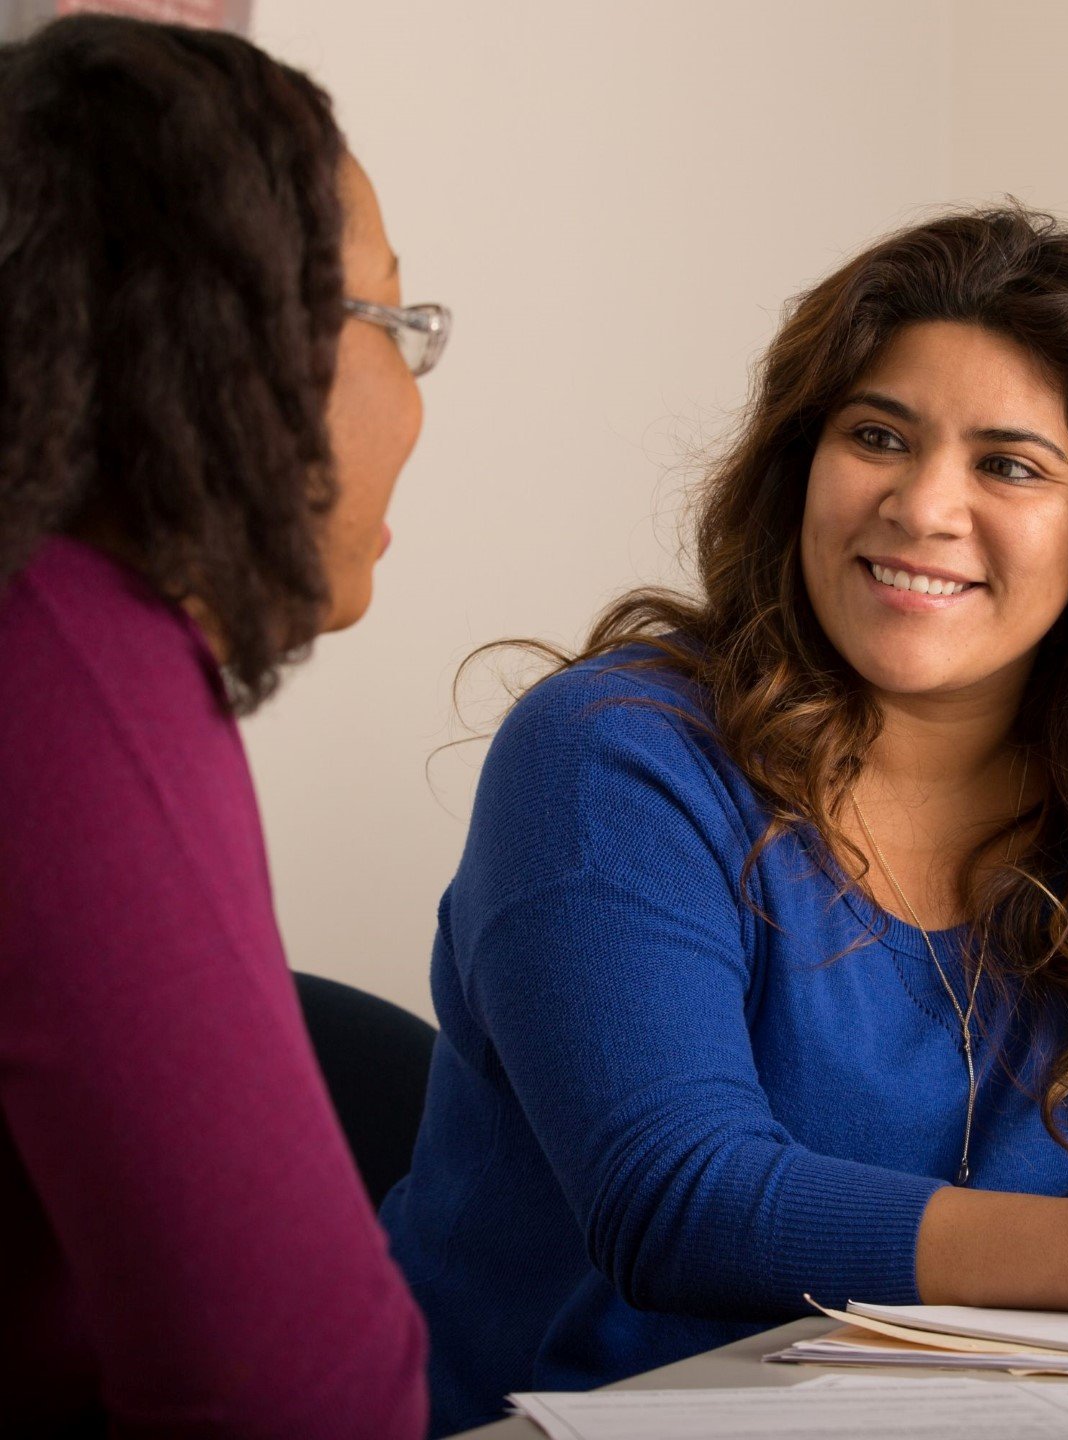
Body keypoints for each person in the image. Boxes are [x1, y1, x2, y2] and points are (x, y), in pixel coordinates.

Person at [381, 206, 1068, 1433]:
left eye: (1010, 463)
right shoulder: (610, 756)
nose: (924, 507)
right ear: (801, 467)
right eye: (877, 435)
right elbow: (678, 1199)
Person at [0, 15, 450, 1435]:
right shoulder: (65, 655)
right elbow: (302, 1394)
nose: (418, 405)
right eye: (397, 324)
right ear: (235, 341)